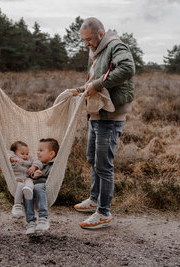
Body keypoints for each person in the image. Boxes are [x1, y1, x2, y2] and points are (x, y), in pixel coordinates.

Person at [71, 17, 135, 229]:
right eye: (83, 40)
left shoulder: (116, 46)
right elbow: (95, 80)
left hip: (110, 116)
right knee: (92, 158)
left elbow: (127, 69)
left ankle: (104, 213)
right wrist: (80, 90)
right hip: (97, 114)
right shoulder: (97, 50)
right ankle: (94, 199)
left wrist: (96, 85)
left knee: (103, 165)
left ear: (100, 34)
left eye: (88, 39)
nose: (86, 44)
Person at [24, 138, 59, 234]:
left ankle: (43, 218)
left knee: (38, 187)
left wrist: (40, 175)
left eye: (41, 151)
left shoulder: (54, 165)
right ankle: (31, 222)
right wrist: (33, 175)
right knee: (26, 191)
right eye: (38, 150)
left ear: (52, 154)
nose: (38, 153)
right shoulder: (35, 163)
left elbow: (53, 178)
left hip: (44, 187)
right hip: (32, 187)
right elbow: (28, 175)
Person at [8, 141, 42, 217]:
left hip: (27, 178)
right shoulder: (13, 159)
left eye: (27, 154)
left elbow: (38, 161)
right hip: (17, 178)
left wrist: (34, 167)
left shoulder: (29, 160)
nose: (25, 156)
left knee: (30, 181)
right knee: (20, 184)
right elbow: (6, 154)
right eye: (22, 154)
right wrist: (12, 158)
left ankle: (28, 191)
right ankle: (17, 206)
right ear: (14, 153)